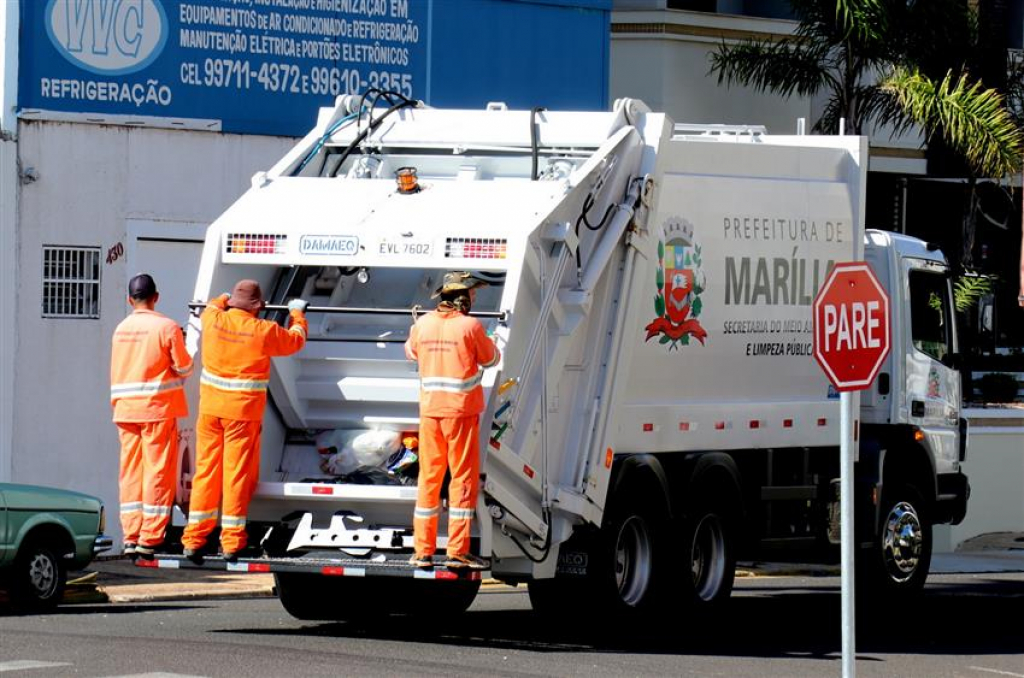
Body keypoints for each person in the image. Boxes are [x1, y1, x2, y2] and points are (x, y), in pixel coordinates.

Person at [181, 280, 308, 563]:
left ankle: (193, 538)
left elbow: (213, 304)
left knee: (205, 473)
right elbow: (295, 340)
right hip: (242, 415)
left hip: (211, 411)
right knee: (235, 476)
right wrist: (297, 314)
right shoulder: (262, 330)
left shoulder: (212, 318)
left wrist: (223, 296)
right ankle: (231, 542)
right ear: (257, 307)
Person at [404, 271, 501, 570]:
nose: (473, 300)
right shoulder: (470, 326)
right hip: (460, 415)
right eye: (472, 295)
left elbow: (410, 353)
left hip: (430, 413)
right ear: (461, 299)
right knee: (461, 480)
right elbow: (492, 360)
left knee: (429, 480)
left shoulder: (422, 325)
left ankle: (422, 551)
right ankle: (457, 551)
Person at [110, 273, 193, 560]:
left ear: (129, 299)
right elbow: (183, 369)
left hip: (125, 409)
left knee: (130, 473)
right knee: (157, 471)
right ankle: (150, 537)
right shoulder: (167, 327)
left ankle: (130, 536)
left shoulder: (120, 329)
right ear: (156, 297)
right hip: (156, 409)